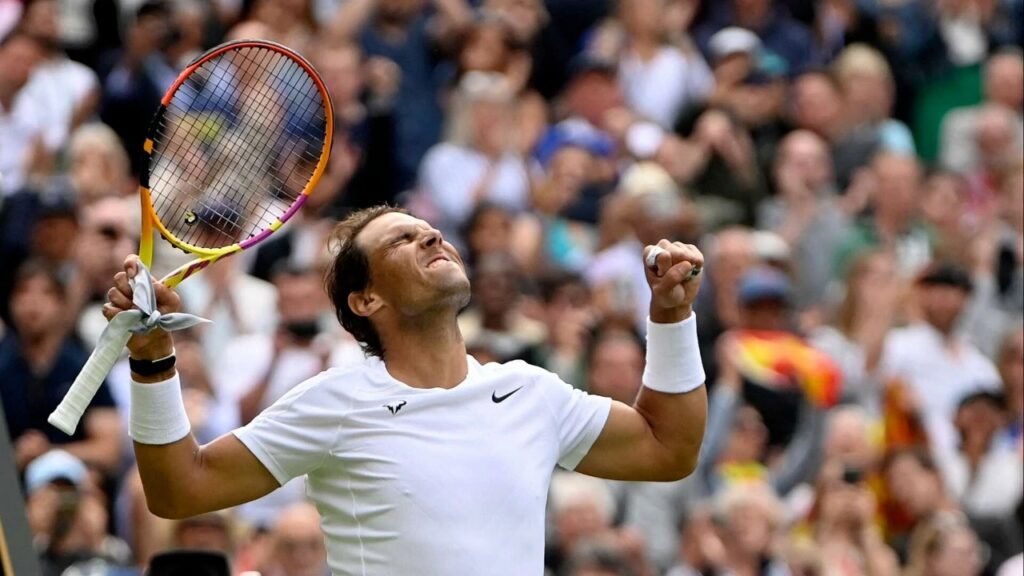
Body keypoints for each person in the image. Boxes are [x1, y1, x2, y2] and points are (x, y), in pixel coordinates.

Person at [103, 206, 708, 574]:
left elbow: (668, 449)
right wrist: (154, 362)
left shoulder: (532, 392)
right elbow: (179, 490)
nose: (431, 238)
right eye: (401, 240)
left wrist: (672, 317)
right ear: (367, 301)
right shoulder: (334, 402)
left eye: (431, 232)